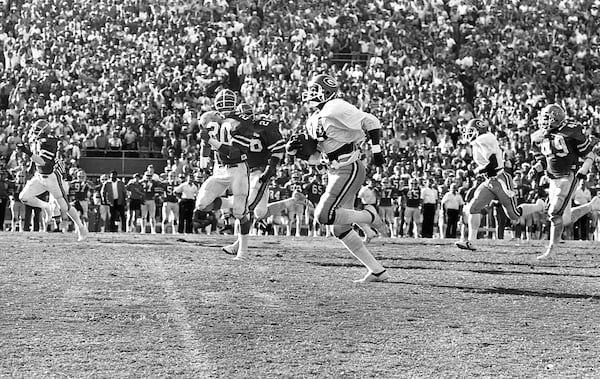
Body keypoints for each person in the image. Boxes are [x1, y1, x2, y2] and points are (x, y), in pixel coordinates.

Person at [287, 73, 390, 283]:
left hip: (349, 168)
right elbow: (318, 158)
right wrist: (297, 153)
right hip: (334, 170)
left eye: (315, 90)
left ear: (326, 92)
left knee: (323, 216)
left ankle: (369, 216)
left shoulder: (335, 106)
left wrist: (377, 151)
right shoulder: (313, 119)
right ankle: (377, 271)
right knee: (339, 227)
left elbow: (371, 121)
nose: (310, 94)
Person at [456, 118, 545, 251]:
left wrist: (473, 172)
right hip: (490, 181)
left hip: (500, 179)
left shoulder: (484, 139)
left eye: (471, 131)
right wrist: (476, 172)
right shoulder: (479, 141)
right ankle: (471, 241)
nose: (468, 134)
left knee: (514, 215)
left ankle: (539, 206)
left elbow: (492, 164)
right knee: (473, 208)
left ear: (479, 129)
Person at [528, 104, 600, 260]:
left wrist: (585, 168)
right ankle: (591, 206)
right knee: (564, 218)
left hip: (568, 175)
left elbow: (589, 154)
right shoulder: (539, 135)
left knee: (555, 213)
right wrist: (536, 168)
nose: (543, 120)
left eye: (547, 117)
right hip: (553, 178)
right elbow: (546, 159)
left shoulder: (572, 130)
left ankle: (551, 250)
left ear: (556, 118)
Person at [195, 89, 254, 260]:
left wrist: (210, 140)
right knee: (202, 205)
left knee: (239, 213)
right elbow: (204, 142)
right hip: (219, 169)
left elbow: (235, 152)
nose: (225, 106)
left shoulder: (243, 121)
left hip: (238, 168)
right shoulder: (210, 118)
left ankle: (242, 252)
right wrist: (203, 160)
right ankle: (237, 204)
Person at [221, 102, 285, 254]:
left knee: (254, 210)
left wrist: (272, 166)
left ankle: (238, 246)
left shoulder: (265, 126)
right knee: (255, 211)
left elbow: (278, 147)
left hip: (259, 172)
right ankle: (238, 245)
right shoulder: (234, 126)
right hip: (243, 171)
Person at [17, 119, 87, 241]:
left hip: (51, 178)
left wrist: (26, 151)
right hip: (39, 176)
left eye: (37, 129)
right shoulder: (37, 141)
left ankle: (81, 228)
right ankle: (47, 207)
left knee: (64, 207)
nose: (34, 131)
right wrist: (30, 167)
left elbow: (43, 162)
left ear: (44, 131)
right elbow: (36, 160)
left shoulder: (49, 142)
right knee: (24, 197)